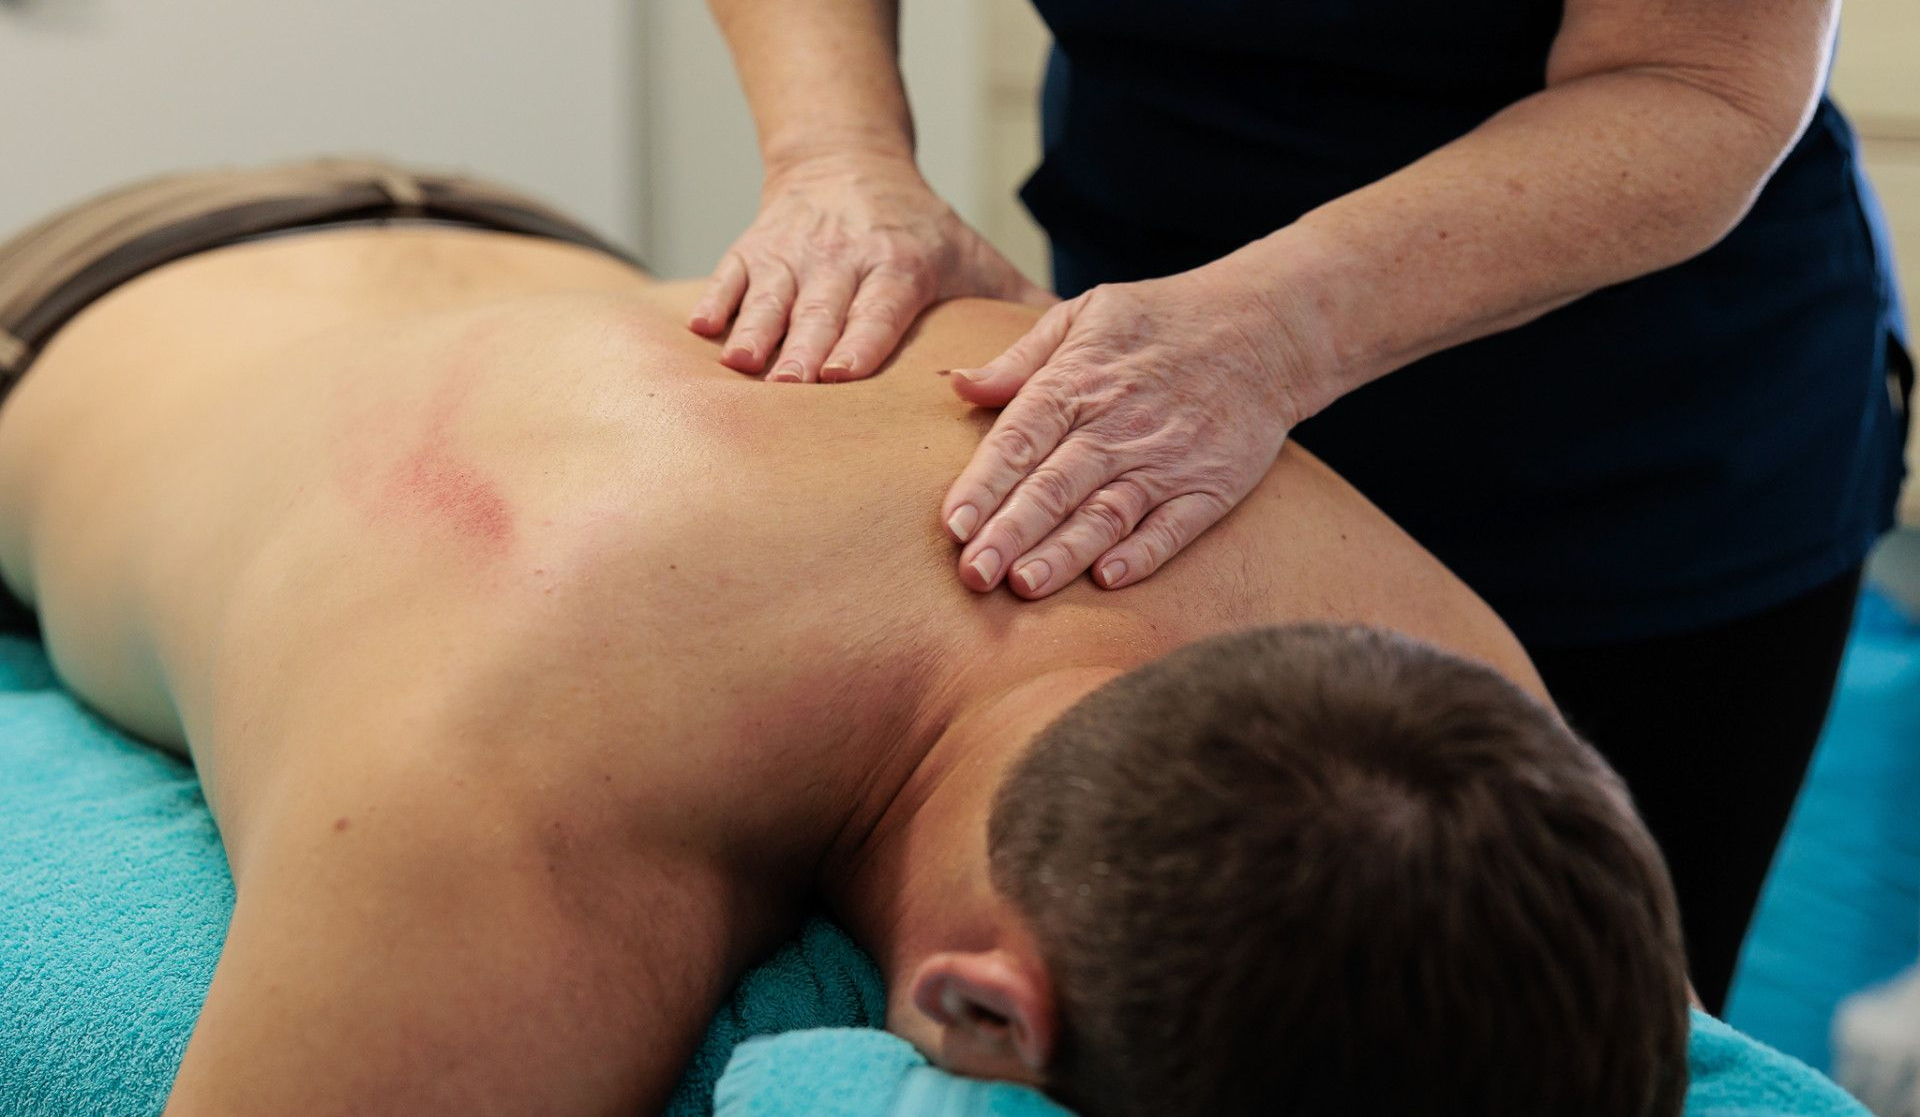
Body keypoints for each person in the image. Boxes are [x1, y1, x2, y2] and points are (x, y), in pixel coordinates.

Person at [0, 162, 1689, 1116]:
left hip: (565, 276)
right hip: (98, 294)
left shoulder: (1451, 685)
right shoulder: (516, 802)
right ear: (979, 1016)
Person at [695, 0, 1913, 1009]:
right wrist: (835, 155)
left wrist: (1276, 333)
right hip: (1153, 339)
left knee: (1551, 1011)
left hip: (1629, 440)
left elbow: (1697, 79)